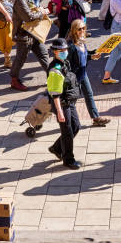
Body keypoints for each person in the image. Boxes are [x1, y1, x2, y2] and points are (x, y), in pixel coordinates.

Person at [66, 20, 110, 127]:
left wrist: (93, 55)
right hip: (74, 77)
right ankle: (67, 120)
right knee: (71, 100)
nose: (82, 31)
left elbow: (84, 55)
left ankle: (96, 118)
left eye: (83, 28)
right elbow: (67, 63)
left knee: (89, 94)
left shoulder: (81, 41)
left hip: (83, 73)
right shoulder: (71, 45)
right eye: (79, 29)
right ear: (74, 30)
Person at [9, 0, 50, 91]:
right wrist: (42, 14)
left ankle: (52, 76)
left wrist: (40, 10)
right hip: (23, 35)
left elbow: (33, 11)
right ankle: (14, 80)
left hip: (34, 32)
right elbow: (28, 17)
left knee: (44, 54)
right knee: (21, 58)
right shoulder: (20, 0)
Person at [46, 38, 82, 170]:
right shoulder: (55, 70)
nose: (64, 52)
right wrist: (59, 112)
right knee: (67, 131)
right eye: (61, 50)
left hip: (69, 101)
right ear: (54, 52)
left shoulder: (64, 62)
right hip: (61, 104)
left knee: (76, 126)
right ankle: (68, 160)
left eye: (65, 49)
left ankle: (56, 148)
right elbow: (55, 93)